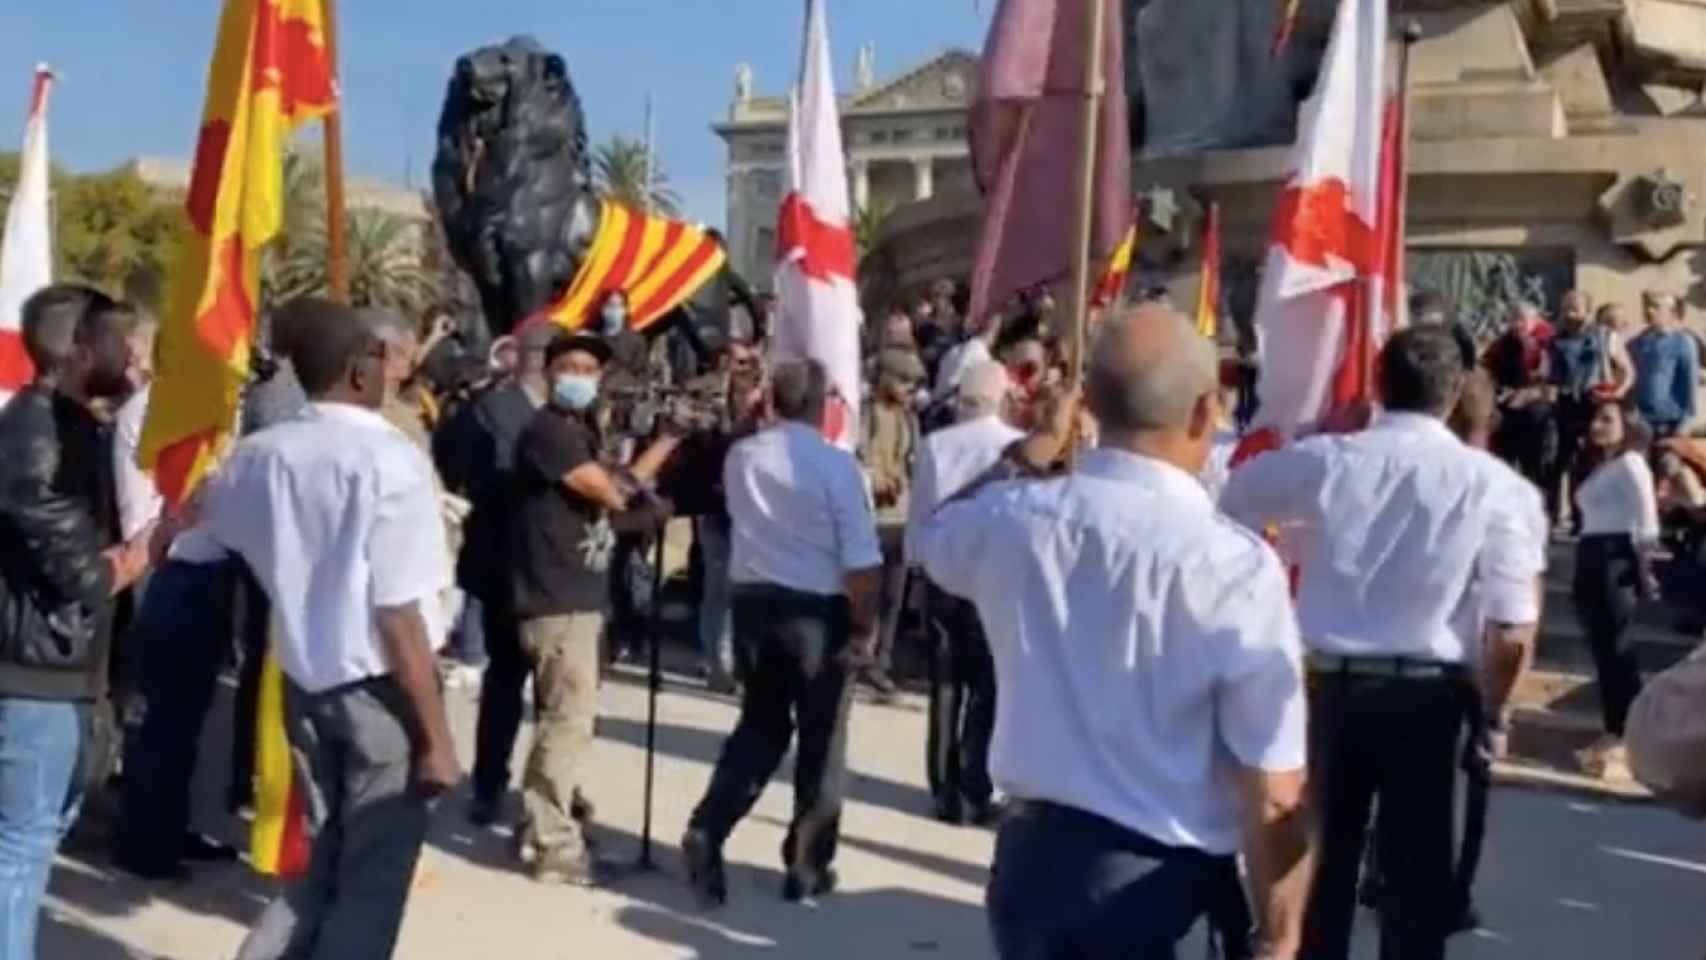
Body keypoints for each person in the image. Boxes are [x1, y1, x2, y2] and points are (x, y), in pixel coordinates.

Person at [915, 303, 1312, 958]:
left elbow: (934, 536)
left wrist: (1029, 452)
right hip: (1160, 884)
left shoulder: (1016, 518)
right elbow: (1272, 786)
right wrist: (1280, 932)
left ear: (1089, 404)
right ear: (1203, 411)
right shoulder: (1233, 566)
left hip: (1032, 871)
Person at [1222, 325, 1545, 960]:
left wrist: (1297, 531)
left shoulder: (1330, 461)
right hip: (1426, 697)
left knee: (1321, 867)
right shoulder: (1495, 486)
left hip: (1328, 688)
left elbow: (1234, 496)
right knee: (1415, 880)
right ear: (1455, 393)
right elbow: (1511, 627)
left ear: (1376, 384)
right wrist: (1494, 710)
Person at [181, 300, 458, 960]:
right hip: (382, 690)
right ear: (359, 371)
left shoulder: (260, 453)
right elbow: (399, 615)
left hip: (305, 682)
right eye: (380, 358)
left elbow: (197, 524)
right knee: (371, 883)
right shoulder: (390, 459)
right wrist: (436, 738)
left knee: (323, 863)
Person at [680, 358, 884, 907]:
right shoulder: (837, 467)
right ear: (822, 406)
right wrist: (865, 625)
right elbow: (862, 562)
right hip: (817, 610)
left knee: (760, 729)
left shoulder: (743, 455)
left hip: (753, 605)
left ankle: (710, 825)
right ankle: (807, 864)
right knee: (821, 741)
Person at [0, 284, 155, 958]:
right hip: (34, 676)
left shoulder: (74, 427)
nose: (134, 352)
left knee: (39, 833)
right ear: (83, 347)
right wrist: (162, 537)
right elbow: (84, 577)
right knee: (22, 847)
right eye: (122, 338)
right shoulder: (38, 438)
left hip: (64, 672)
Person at [508, 330, 680, 883]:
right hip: (556, 598)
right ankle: (553, 843)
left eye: (590, 369)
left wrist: (665, 449)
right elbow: (612, 493)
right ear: (551, 371)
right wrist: (658, 459)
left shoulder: (578, 432)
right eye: (571, 366)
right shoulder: (549, 433)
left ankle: (550, 816)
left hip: (580, 595)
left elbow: (616, 494)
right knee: (566, 723)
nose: (581, 377)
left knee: (567, 720)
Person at [110, 375, 242, 879]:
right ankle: (143, 844)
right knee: (161, 719)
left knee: (186, 720)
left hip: (204, 571)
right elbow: (156, 505)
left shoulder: (197, 402)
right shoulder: (156, 409)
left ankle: (169, 828)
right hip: (167, 569)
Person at [434, 319, 558, 828]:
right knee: (510, 683)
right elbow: (455, 460)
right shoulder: (495, 411)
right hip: (509, 564)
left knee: (538, 688)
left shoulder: (550, 413)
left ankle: (532, 788)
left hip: (542, 566)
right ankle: (493, 785)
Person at [904, 360, 1020, 826]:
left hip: (941, 574)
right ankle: (975, 783)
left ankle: (943, 788)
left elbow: (920, 514)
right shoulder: (1012, 447)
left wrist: (915, 572)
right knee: (988, 690)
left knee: (945, 688)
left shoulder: (935, 445)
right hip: (991, 580)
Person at [1570, 399, 1661, 782]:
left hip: (1614, 557)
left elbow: (1647, 520)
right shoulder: (1603, 465)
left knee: (1617, 652)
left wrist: (1643, 568)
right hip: (1590, 553)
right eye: (1596, 417)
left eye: (1608, 418)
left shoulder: (1631, 464)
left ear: (1628, 424)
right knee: (1603, 650)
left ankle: (1629, 736)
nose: (1597, 424)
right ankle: (1612, 731)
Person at [859, 347, 925, 697]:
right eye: (904, 381)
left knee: (892, 596)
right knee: (867, 594)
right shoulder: (865, 416)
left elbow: (914, 462)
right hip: (871, 518)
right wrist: (875, 481)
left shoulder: (908, 420)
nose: (909, 389)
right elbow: (855, 461)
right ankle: (862, 654)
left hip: (900, 516)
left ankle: (882, 660)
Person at [1485, 301, 1557, 494]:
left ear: (1535, 320)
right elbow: (1489, 370)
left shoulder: (1549, 343)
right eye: (1513, 319)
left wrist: (1533, 392)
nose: (1517, 324)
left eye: (1522, 319)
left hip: (1539, 410)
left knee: (1536, 462)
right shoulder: (1503, 344)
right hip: (1509, 405)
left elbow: (1554, 380)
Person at [1550, 290, 1605, 529]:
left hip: (1590, 402)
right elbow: (1551, 373)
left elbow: (1625, 368)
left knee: (1587, 464)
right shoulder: (1556, 340)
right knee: (1558, 461)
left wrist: (1615, 391)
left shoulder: (1601, 337)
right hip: (1564, 403)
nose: (1570, 311)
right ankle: (1557, 515)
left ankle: (1585, 517)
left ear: (1588, 310)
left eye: (1576, 306)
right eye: (1567, 306)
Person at [1628, 290, 1700, 440]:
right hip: (1640, 421)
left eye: (1656, 306)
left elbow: (1690, 382)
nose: (1649, 310)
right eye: (1647, 306)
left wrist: (1685, 423)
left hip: (1670, 422)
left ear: (1672, 313)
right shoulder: (1636, 343)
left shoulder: (1683, 342)